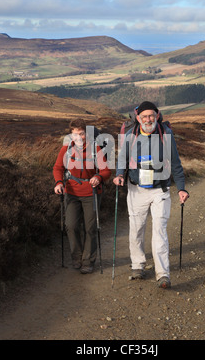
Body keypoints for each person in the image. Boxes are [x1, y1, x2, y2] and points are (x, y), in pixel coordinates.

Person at [113, 101, 189, 289]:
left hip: (160, 190)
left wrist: (181, 188)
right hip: (136, 189)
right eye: (145, 116)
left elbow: (176, 164)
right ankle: (138, 265)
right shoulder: (130, 135)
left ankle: (163, 274)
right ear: (138, 118)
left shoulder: (166, 134)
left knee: (159, 231)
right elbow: (122, 159)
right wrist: (118, 175)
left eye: (151, 116)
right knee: (136, 229)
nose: (148, 119)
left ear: (157, 116)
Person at [53, 118, 111, 274]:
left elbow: (106, 171)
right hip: (71, 193)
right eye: (75, 134)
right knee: (70, 226)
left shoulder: (95, 148)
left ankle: (88, 261)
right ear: (71, 135)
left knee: (90, 228)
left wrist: (98, 178)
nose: (78, 137)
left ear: (86, 133)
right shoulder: (66, 149)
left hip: (91, 193)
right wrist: (59, 182)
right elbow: (58, 167)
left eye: (82, 133)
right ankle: (77, 258)